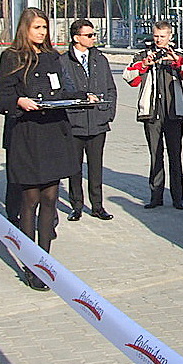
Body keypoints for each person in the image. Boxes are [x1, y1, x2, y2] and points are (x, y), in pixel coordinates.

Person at [0, 7, 86, 291]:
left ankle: (44, 261)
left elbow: (63, 90)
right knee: (30, 200)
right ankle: (30, 263)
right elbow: (0, 99)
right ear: (25, 29)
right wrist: (19, 101)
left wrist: (84, 97)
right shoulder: (12, 57)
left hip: (53, 134)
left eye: (45, 27)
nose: (42, 32)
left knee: (50, 198)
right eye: (37, 28)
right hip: (27, 135)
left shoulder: (52, 57)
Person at [123, 21, 183, 209]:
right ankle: (156, 196)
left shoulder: (178, 55)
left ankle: (178, 197)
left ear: (170, 36)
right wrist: (144, 65)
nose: (159, 40)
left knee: (175, 156)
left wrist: (177, 62)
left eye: (163, 36)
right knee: (155, 155)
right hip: (151, 113)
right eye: (156, 36)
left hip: (173, 113)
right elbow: (128, 77)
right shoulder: (142, 55)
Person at [61, 19, 117, 221]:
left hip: (97, 122)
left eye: (94, 34)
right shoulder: (63, 61)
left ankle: (97, 206)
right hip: (74, 123)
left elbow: (110, 88)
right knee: (74, 168)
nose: (94, 38)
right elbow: (62, 91)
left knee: (95, 167)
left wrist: (107, 113)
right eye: (89, 35)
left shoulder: (100, 59)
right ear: (77, 38)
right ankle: (76, 205)